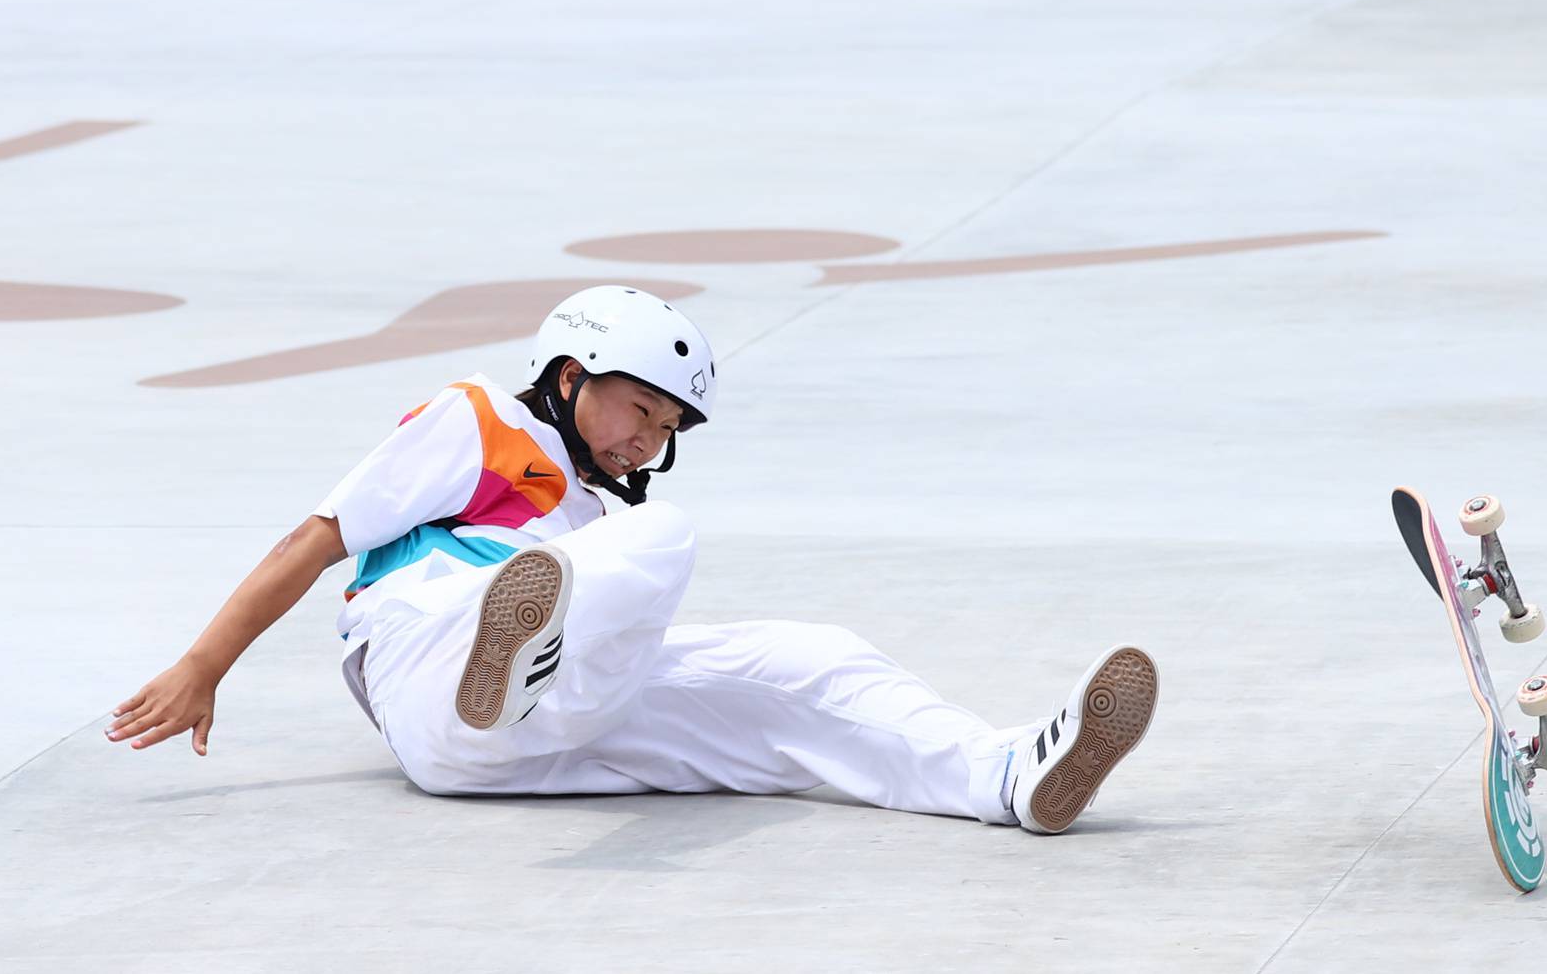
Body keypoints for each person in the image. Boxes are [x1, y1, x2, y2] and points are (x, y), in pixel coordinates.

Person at [108, 285, 1159, 832]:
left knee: (804, 661)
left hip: (531, 742)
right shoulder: (473, 421)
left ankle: (1011, 775)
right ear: (569, 376)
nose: (646, 440)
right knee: (660, 535)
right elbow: (315, 538)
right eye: (638, 408)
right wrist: (206, 663)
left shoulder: (587, 512)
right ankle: (507, 657)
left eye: (666, 428)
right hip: (426, 663)